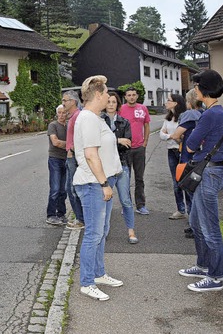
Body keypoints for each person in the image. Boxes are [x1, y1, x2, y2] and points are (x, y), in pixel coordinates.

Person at [178, 70, 223, 292]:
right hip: (209, 171)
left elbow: (190, 145)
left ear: (205, 88)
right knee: (197, 223)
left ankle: (216, 277)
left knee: (209, 228)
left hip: (208, 174)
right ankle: (203, 265)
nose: (195, 89)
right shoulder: (219, 112)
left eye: (197, 85)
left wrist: (194, 143)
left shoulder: (210, 114)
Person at [74, 75, 124, 301]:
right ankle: (87, 282)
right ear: (97, 95)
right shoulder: (88, 119)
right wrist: (104, 183)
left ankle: (98, 273)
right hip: (93, 183)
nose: (108, 97)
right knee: (93, 234)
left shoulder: (96, 118)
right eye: (105, 94)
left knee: (101, 232)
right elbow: (91, 155)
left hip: (101, 182)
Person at [102, 92, 138, 244]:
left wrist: (113, 142)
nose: (110, 104)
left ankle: (131, 232)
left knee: (126, 200)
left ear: (118, 104)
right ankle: (104, 232)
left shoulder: (124, 122)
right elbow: (99, 143)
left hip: (122, 165)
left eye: (113, 102)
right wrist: (117, 140)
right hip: (105, 166)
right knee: (106, 201)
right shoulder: (99, 121)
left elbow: (128, 144)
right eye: (108, 101)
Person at [169, 89, 203, 238]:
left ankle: (194, 225)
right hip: (201, 158)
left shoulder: (189, 114)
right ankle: (197, 224)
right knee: (198, 193)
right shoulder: (204, 113)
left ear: (189, 101)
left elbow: (176, 135)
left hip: (188, 158)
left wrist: (179, 138)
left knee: (190, 192)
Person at [118, 87, 151, 215]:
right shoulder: (121, 109)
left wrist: (145, 142)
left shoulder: (143, 108)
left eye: (133, 95)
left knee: (139, 178)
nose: (131, 97)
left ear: (137, 96)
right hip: (125, 149)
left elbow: (146, 125)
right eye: (129, 95)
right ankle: (126, 205)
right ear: (125, 97)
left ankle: (141, 205)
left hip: (139, 148)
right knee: (125, 178)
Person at [159, 93, 187, 220]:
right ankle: (181, 209)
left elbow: (183, 137)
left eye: (169, 100)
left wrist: (170, 135)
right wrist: (173, 136)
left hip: (182, 152)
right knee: (175, 182)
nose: (166, 102)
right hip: (171, 151)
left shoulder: (184, 117)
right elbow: (161, 135)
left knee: (186, 181)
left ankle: (191, 211)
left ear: (176, 103)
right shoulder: (168, 119)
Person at [62, 90, 84, 229]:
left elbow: (81, 136)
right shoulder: (73, 116)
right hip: (70, 156)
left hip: (73, 156)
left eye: (65, 100)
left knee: (73, 188)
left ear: (73, 101)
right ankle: (79, 217)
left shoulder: (78, 116)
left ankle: (81, 219)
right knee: (69, 188)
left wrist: (72, 150)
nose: (63, 103)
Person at [46, 104, 68, 225]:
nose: (61, 115)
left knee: (63, 190)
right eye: (59, 113)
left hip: (66, 160)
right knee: (55, 189)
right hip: (55, 159)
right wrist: (70, 144)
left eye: (63, 112)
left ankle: (61, 214)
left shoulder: (69, 125)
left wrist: (66, 144)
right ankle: (51, 215)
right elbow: (55, 142)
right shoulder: (53, 125)